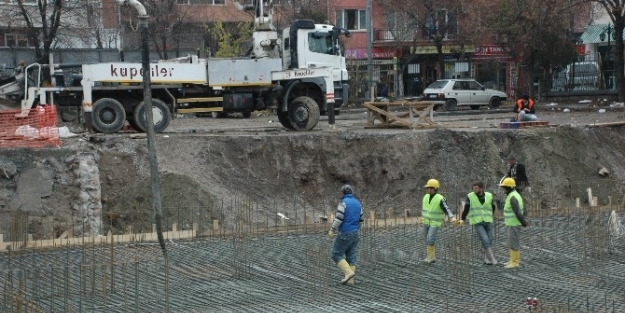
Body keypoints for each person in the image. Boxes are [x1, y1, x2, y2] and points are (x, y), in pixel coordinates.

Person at [328, 184, 363, 285]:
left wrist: (332, 230)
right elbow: (361, 220)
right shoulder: (358, 203)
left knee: (336, 254)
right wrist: (356, 230)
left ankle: (348, 273)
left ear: (343, 193)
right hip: (355, 233)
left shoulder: (343, 203)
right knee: (351, 256)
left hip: (345, 233)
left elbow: (339, 218)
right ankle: (350, 281)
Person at [422, 178, 459, 263]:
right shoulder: (425, 197)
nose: (429, 189)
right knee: (426, 240)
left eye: (431, 188)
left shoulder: (440, 198)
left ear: (435, 189)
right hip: (426, 221)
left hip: (435, 222)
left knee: (430, 239)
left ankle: (430, 258)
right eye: (428, 188)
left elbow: (446, 209)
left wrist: (452, 217)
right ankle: (432, 257)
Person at [460, 182, 498, 265]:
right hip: (477, 222)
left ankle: (486, 259)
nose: (474, 190)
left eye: (476, 188)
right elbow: (466, 208)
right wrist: (462, 219)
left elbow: (493, 207)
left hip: (488, 220)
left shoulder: (489, 195)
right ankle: (492, 259)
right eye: (473, 188)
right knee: (485, 240)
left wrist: (490, 214)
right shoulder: (470, 196)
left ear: (481, 188)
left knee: (490, 240)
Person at [499, 178, 529, 269]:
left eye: (504, 187)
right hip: (511, 223)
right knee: (511, 242)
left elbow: (517, 212)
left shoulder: (513, 197)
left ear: (509, 187)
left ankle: (515, 262)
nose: (503, 189)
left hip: (514, 224)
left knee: (514, 243)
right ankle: (512, 260)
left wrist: (523, 222)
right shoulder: (512, 195)